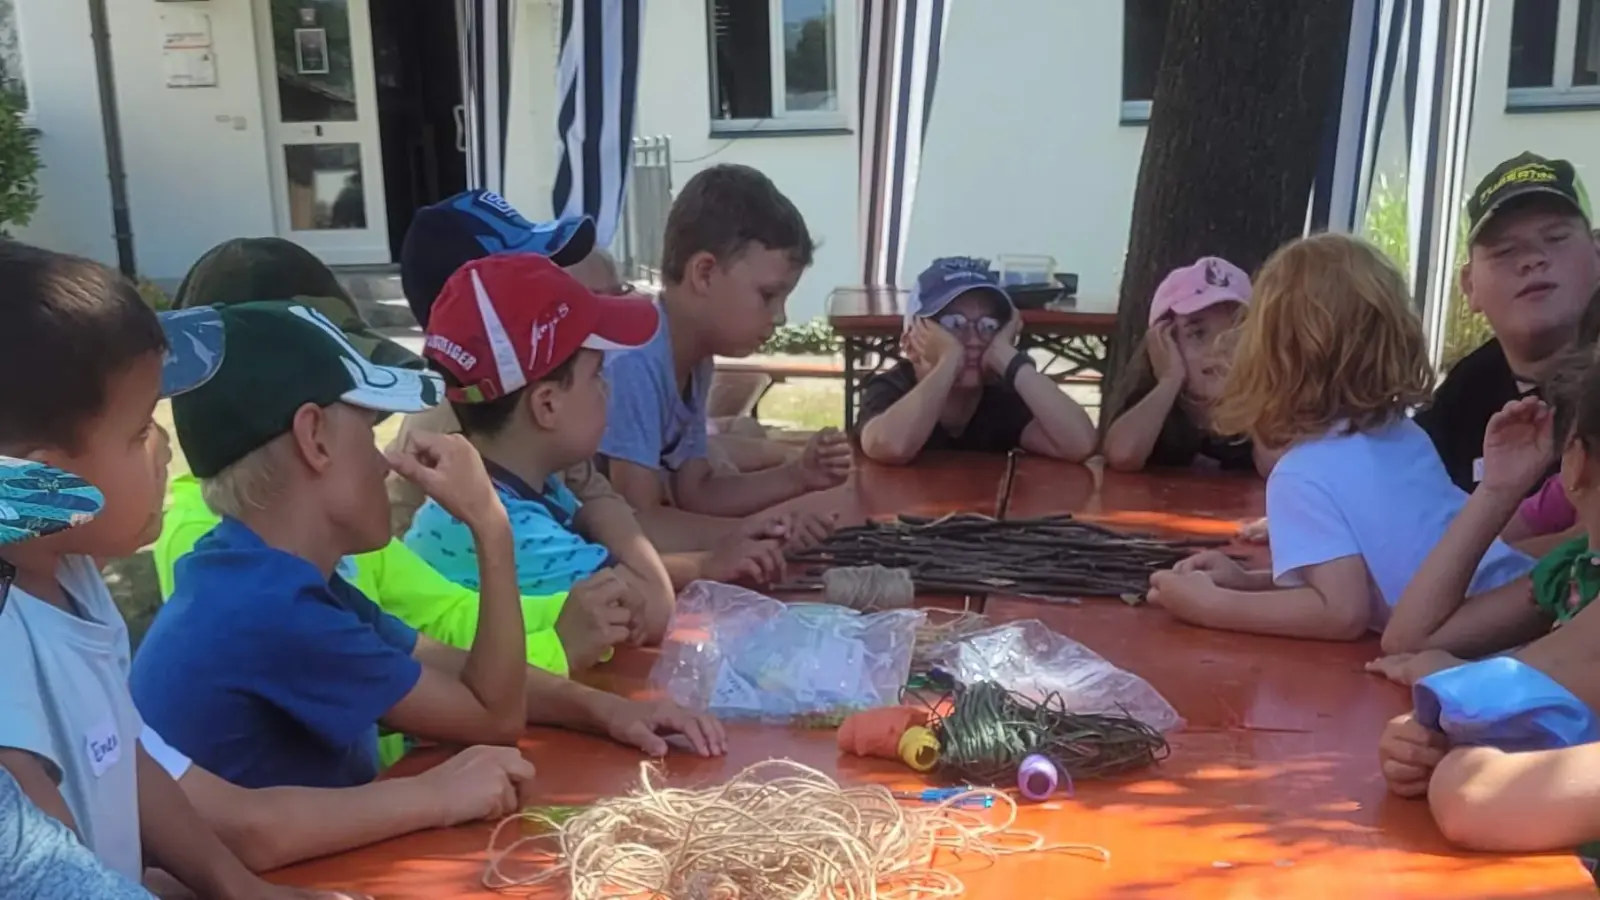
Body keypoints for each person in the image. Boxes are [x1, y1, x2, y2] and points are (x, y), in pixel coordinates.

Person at [132, 301, 724, 792]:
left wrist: (611, 710)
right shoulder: (267, 605)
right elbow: (493, 715)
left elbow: (455, 670)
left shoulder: (274, 576)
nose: (384, 461)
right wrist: (489, 526)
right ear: (315, 440)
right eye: (369, 431)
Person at [0, 241, 338, 898]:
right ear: (41, 487)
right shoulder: (9, 642)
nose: (162, 448)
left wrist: (239, 888)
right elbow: (49, 871)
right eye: (137, 433)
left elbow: (124, 756)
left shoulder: (73, 577)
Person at [154, 236, 625, 674]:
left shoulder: (327, 522)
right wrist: (555, 647)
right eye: (363, 415)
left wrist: (570, 612)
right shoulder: (211, 551)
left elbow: (444, 615)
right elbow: (388, 685)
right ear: (309, 431)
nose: (382, 455)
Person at [1145, 233, 1533, 641]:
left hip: (1487, 637)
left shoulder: (1300, 473)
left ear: (1270, 357)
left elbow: (1340, 612)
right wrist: (1247, 583)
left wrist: (1212, 606)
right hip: (1517, 601)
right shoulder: (1398, 432)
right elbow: (1367, 573)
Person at [405, 256, 790, 623]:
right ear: (547, 405)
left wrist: (706, 564)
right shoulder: (511, 527)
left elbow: (599, 568)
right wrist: (604, 505)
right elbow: (653, 604)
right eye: (597, 375)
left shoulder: (516, 489)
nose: (608, 389)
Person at [600, 164, 852, 523]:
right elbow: (639, 524)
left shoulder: (694, 357)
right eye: (768, 295)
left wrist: (798, 476)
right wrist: (755, 536)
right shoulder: (635, 361)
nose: (780, 317)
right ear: (704, 273)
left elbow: (697, 492)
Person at [1416, 152, 1599, 495]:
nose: (1532, 260)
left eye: (1555, 238)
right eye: (1504, 251)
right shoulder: (1453, 409)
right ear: (1469, 286)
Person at [855, 257, 1098, 464]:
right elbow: (891, 447)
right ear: (910, 343)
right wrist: (949, 361)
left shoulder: (1000, 399)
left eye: (989, 326)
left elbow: (1080, 444)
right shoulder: (891, 388)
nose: (973, 339)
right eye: (954, 324)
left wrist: (1008, 358)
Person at [1102, 257, 1261, 473]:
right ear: (1163, 343)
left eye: (1235, 332)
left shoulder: (1265, 411)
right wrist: (1169, 381)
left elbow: (1275, 461)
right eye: (1198, 333)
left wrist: (1253, 398)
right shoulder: (1154, 407)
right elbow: (1122, 455)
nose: (1219, 347)